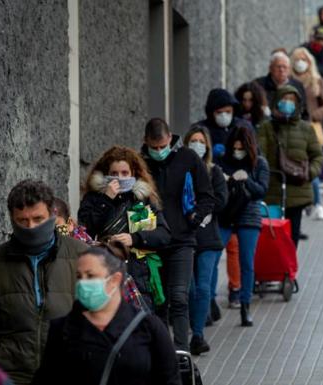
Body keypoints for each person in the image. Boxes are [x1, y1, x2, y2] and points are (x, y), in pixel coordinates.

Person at [0, 180, 88, 385]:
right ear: (12, 219)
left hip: (70, 375)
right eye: (23, 221)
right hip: (10, 377)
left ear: (53, 214)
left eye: (38, 219)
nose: (31, 227)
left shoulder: (83, 257)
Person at [32, 246, 181, 385]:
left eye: (90, 276)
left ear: (115, 280)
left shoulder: (149, 327)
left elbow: (170, 379)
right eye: (79, 276)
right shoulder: (62, 329)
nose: (83, 283)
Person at [142, 117, 214, 352]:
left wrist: (194, 218)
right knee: (160, 301)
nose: (159, 152)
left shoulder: (188, 158)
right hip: (153, 242)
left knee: (180, 297)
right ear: (146, 143)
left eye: (163, 146)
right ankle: (164, 352)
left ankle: (181, 352)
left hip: (182, 240)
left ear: (170, 137)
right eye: (154, 148)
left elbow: (207, 195)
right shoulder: (140, 164)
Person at [77, 145, 171, 310]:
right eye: (114, 174)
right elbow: (85, 231)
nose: (119, 178)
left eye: (124, 173)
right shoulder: (93, 198)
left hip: (139, 274)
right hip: (105, 271)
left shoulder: (143, 198)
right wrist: (106, 199)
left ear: (133, 173)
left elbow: (164, 235)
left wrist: (134, 238)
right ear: (106, 173)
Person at [257, 85, 323, 248]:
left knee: (292, 237)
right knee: (271, 235)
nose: (287, 103)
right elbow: (259, 155)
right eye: (284, 100)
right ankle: (274, 272)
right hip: (272, 192)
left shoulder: (305, 128)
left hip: (297, 190)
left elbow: (318, 156)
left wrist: (310, 173)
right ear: (277, 102)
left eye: (291, 101)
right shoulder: (266, 127)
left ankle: (289, 272)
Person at [183, 125, 228, 355]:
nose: (198, 145)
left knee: (202, 287)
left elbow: (221, 199)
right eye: (193, 140)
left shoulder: (214, 172)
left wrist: (203, 210)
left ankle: (198, 335)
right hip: (186, 237)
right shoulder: (180, 171)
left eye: (201, 141)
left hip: (209, 238)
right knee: (188, 288)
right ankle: (191, 326)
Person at [218, 124, 269, 327]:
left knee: (247, 262)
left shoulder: (259, 163)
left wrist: (246, 179)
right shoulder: (223, 162)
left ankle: (245, 305)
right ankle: (208, 306)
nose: (238, 152)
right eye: (235, 148)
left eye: (242, 148)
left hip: (249, 215)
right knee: (212, 255)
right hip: (226, 214)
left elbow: (261, 191)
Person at [290, 47, 323, 221]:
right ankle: (305, 202)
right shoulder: (289, 82)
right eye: (297, 59)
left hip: (311, 130)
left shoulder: (316, 81)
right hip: (291, 130)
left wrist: (314, 116)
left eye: (303, 59)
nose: (300, 62)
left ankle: (317, 203)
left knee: (309, 168)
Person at [195, 88, 254, 161]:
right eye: (219, 112)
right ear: (211, 113)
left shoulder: (244, 126)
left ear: (233, 110)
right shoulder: (201, 129)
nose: (224, 116)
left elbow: (255, 152)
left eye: (228, 112)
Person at [255, 51, 310, 121]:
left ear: (289, 69)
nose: (281, 70)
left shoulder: (297, 86)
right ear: (270, 68)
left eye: (285, 67)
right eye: (278, 67)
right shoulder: (258, 85)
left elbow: (305, 112)